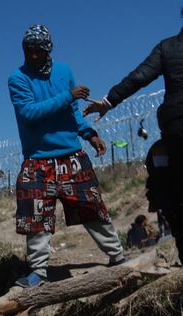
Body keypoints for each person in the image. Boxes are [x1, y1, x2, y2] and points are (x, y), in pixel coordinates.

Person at [8, 25, 125, 288]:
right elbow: (29, 113)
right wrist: (67, 96)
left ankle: (117, 256)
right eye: (28, 50)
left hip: (71, 155)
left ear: (48, 50)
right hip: (38, 160)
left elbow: (73, 111)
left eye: (38, 50)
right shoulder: (18, 79)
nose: (33, 55)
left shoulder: (64, 72)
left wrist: (89, 133)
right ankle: (38, 272)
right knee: (36, 218)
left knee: (92, 207)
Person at [84, 20, 183, 257]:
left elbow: (139, 76)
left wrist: (108, 102)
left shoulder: (168, 47)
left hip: (175, 130)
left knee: (170, 189)